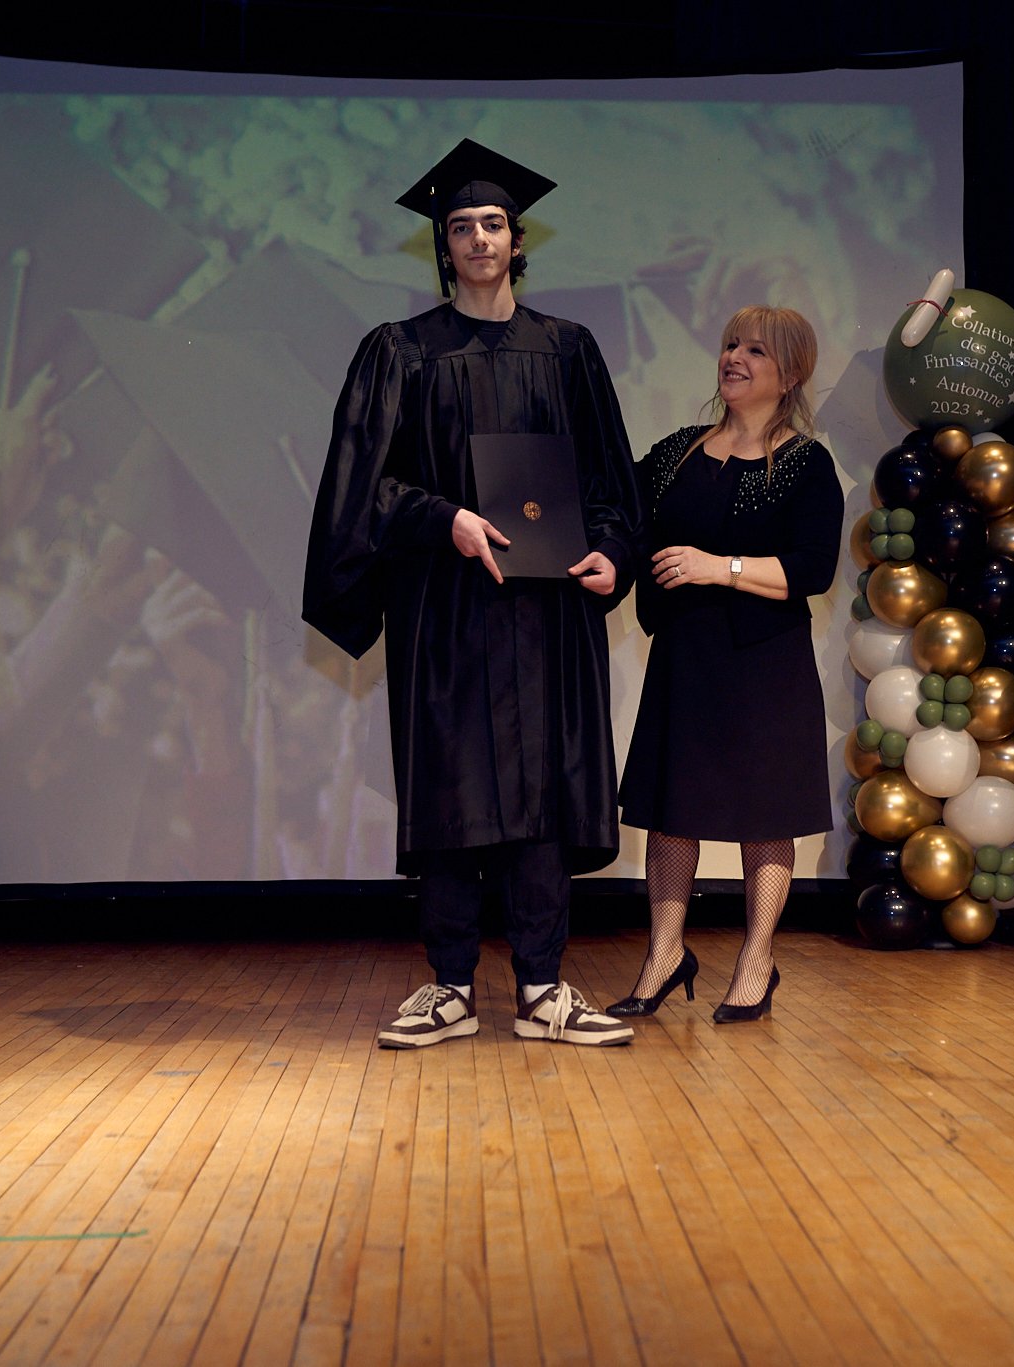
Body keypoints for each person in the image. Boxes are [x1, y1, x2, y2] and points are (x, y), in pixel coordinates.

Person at [302, 139, 644, 1049]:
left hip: (546, 611)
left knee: (540, 795)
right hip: (448, 613)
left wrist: (611, 550)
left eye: (493, 223)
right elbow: (359, 488)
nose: (480, 238)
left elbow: (611, 482)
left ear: (516, 238)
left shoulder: (569, 351)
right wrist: (440, 514)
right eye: (462, 227)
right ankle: (450, 985)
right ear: (443, 247)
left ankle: (542, 987)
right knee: (454, 794)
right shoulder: (403, 353)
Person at [609, 306, 844, 1023]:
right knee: (671, 808)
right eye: (729, 345)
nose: (733, 357)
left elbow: (813, 568)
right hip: (686, 653)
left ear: (791, 371)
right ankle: (664, 952)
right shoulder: (676, 452)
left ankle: (756, 957)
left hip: (766, 660)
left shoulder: (806, 463)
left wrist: (721, 566)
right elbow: (621, 523)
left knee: (765, 813)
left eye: (755, 350)